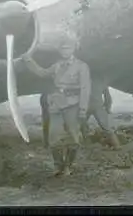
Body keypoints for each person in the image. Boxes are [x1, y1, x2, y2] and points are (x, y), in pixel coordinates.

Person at [21, 35, 91, 176]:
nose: (65, 51)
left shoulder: (81, 67)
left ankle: (68, 167)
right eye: (63, 49)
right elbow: (42, 73)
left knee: (74, 138)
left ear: (73, 50)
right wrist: (27, 59)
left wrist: (83, 109)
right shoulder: (57, 65)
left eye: (68, 48)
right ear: (59, 51)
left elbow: (85, 88)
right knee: (53, 137)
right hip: (57, 103)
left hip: (73, 104)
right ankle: (58, 167)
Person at [80, 81, 121, 150]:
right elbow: (107, 97)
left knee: (82, 126)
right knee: (107, 128)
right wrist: (107, 108)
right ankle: (116, 145)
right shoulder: (101, 81)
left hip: (85, 106)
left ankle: (86, 143)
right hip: (98, 106)